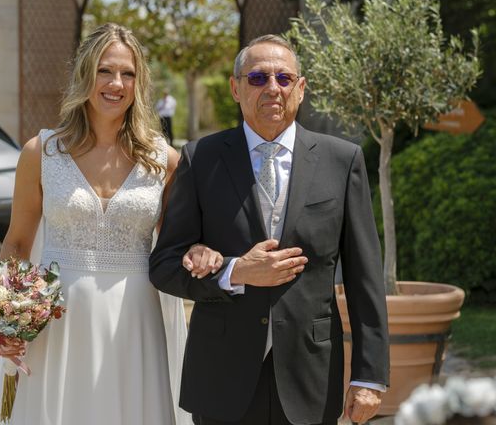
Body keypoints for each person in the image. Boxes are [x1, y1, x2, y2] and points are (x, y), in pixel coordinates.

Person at [150, 34, 390, 425]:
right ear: (235, 88)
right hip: (221, 376)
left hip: (310, 375)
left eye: (284, 78)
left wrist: (369, 376)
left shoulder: (342, 161)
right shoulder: (200, 158)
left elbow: (365, 278)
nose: (272, 89)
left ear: (301, 87)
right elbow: (164, 266)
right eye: (258, 78)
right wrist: (234, 272)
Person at [0, 23, 208, 425]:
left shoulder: (164, 161)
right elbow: (16, 243)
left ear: (139, 83)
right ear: (85, 74)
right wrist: (9, 316)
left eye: (128, 73)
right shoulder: (41, 152)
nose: (116, 83)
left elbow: (176, 247)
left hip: (135, 321)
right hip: (57, 321)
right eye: (105, 70)